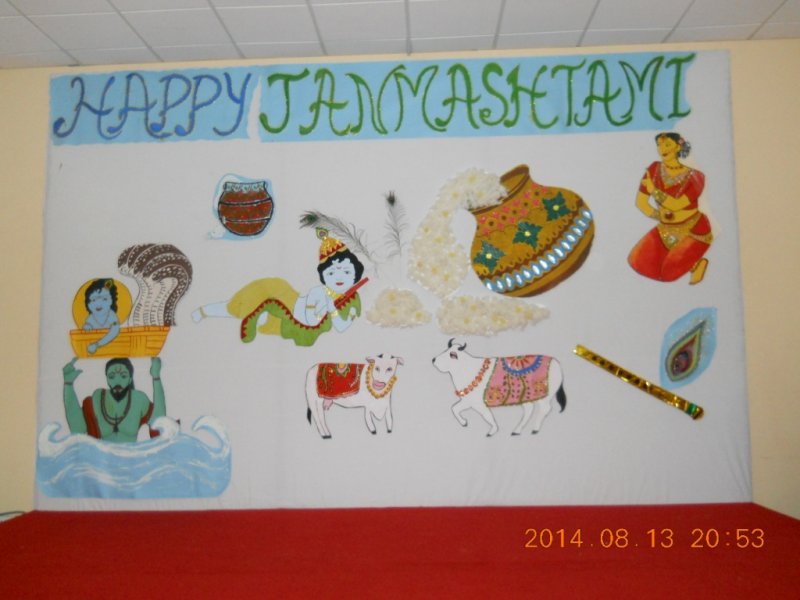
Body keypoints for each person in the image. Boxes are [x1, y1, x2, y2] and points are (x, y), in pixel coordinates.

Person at [192, 229, 367, 346]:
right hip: (287, 302)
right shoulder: (318, 292)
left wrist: (332, 310)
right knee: (242, 305)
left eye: (346, 271)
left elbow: (341, 327)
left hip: (290, 324)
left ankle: (250, 317)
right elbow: (310, 319)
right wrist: (324, 308)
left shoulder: (352, 300)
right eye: (331, 273)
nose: (339, 278)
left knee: (260, 321)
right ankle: (205, 311)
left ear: (356, 272)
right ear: (324, 276)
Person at [628, 132, 713, 284]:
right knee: (637, 262)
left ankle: (697, 263)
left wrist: (653, 190)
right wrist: (659, 216)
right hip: (665, 229)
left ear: (678, 146)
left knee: (668, 274)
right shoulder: (653, 169)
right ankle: (689, 262)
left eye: (667, 144)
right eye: (659, 145)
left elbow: (676, 204)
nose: (662, 149)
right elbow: (641, 202)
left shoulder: (696, 177)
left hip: (693, 229)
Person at [62, 356, 165, 443]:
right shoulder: (98, 398)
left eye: (123, 376)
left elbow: (160, 423)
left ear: (130, 379)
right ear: (106, 378)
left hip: (131, 457)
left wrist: (156, 376)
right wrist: (68, 384)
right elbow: (78, 428)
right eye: (111, 377)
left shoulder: (139, 398)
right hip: (102, 458)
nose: (117, 381)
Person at [82, 278, 121, 354]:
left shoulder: (112, 316)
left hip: (112, 349)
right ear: (88, 303)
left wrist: (97, 345)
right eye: (93, 300)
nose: (98, 303)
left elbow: (114, 331)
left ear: (112, 300)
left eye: (104, 299)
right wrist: (87, 326)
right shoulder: (91, 318)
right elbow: (86, 327)